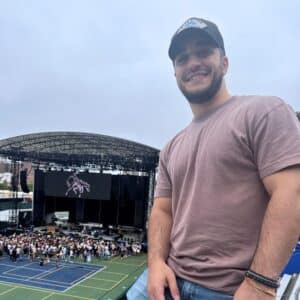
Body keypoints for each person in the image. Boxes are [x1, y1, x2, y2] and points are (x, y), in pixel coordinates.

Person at [127, 17, 300, 300]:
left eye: (204, 52)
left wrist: (259, 283)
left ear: (225, 62)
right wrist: (156, 262)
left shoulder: (264, 112)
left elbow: (291, 193)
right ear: (175, 74)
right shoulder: (172, 146)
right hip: (169, 279)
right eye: (182, 58)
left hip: (230, 290)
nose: (192, 62)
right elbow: (162, 211)